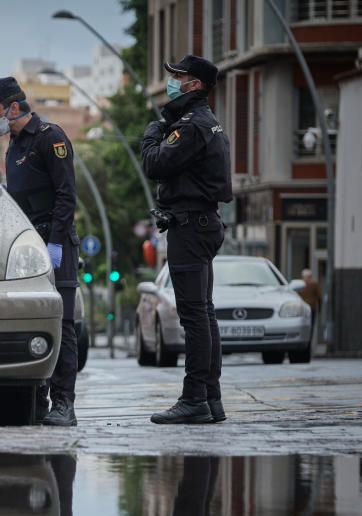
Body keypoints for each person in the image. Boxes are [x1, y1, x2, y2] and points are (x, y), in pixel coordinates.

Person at [0, 77, 79, 427]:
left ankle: (65, 403)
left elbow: (67, 195)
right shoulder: (14, 144)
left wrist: (56, 242)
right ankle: (39, 399)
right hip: (29, 248)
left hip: (54, 242)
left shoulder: (50, 137)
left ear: (14, 107)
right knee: (34, 321)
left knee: (62, 323)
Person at [141, 55, 232, 425]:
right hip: (202, 222)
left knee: (194, 316)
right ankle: (211, 397)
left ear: (195, 84)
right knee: (204, 313)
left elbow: (154, 164)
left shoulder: (192, 126)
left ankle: (195, 397)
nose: (172, 82)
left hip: (191, 225)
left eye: (178, 76)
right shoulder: (206, 123)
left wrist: (151, 134)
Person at [299, 268, 321, 343]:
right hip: (312, 308)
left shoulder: (300, 285)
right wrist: (319, 309)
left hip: (303, 309)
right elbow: (319, 297)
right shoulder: (314, 284)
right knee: (310, 326)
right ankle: (309, 341)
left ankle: (304, 341)